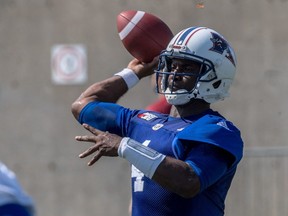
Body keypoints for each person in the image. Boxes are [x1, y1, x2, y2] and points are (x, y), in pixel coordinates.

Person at [71, 26, 243, 216]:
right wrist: (132, 74)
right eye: (172, 64)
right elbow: (83, 105)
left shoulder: (217, 129)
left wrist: (125, 146)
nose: (174, 75)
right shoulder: (143, 121)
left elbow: (189, 181)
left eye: (186, 68)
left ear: (214, 76)